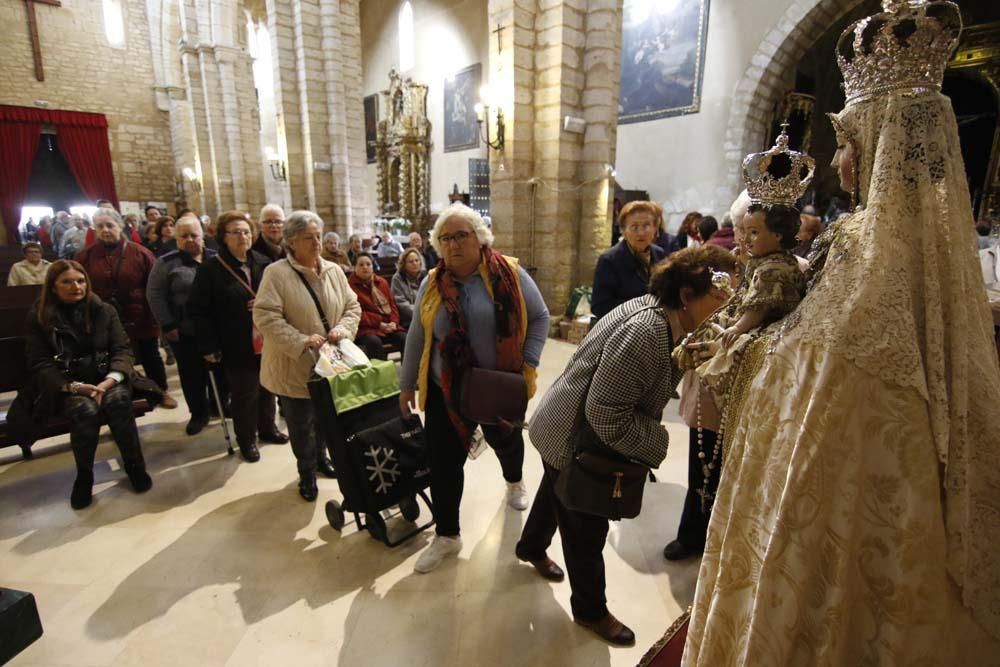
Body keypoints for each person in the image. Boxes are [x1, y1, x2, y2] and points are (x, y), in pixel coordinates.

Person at [683, 4, 1000, 663]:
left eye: (851, 144)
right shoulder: (873, 248)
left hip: (851, 518)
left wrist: (750, 345)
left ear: (886, 145)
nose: (840, 162)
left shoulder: (871, 259)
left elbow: (817, 378)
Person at [517, 245, 734, 646]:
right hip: (575, 439)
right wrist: (659, 441)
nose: (728, 312)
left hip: (563, 426)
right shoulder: (646, 331)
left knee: (554, 493)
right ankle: (591, 611)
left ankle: (530, 547)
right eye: (721, 300)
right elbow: (607, 415)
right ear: (687, 296)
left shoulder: (660, 314)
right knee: (585, 532)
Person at [399, 202, 549, 574]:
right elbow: (417, 333)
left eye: (461, 235)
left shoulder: (510, 274)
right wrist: (405, 384)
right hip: (444, 390)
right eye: (445, 238)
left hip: (497, 386)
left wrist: (528, 362)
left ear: (479, 238)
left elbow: (541, 316)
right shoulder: (431, 282)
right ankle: (447, 536)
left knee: (506, 443)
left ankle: (514, 483)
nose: (452, 245)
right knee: (444, 463)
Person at [21, 260, 152, 509]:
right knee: (85, 410)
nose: (76, 286)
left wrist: (109, 380)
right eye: (67, 282)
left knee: (118, 401)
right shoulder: (40, 316)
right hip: (67, 385)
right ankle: (84, 476)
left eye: (80, 281)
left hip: (107, 378)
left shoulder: (103, 309)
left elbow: (122, 350)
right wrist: (73, 387)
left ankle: (134, 464)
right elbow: (39, 363)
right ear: (53, 287)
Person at [254, 210, 361, 501]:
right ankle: (305, 472)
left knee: (326, 417)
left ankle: (322, 459)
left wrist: (342, 329)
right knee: (301, 424)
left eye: (318, 236)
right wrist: (301, 341)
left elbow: (353, 307)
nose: (316, 243)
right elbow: (265, 316)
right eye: (308, 238)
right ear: (291, 242)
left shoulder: (334, 270)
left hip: (330, 363)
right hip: (294, 365)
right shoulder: (276, 274)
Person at [188, 211, 289, 463]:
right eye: (236, 232)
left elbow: (280, 294)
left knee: (269, 386)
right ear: (223, 237)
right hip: (235, 339)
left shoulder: (263, 261)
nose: (243, 236)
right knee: (245, 393)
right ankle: (247, 439)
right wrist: (208, 345)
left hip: (267, 337)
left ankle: (267, 428)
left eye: (246, 231)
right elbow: (199, 310)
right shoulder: (212, 268)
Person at [661, 248, 739, 563]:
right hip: (709, 389)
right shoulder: (720, 274)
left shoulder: (777, 274)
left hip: (745, 386)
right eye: (745, 232)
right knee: (702, 468)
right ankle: (692, 534)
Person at [75, 207, 177, 409]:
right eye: (100, 226)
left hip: (140, 316)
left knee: (150, 356)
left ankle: (160, 391)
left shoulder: (140, 253)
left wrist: (158, 316)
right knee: (113, 360)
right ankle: (119, 399)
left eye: (110, 225)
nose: (105, 230)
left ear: (119, 226)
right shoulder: (85, 256)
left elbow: (156, 286)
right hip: (103, 319)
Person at [146, 218, 225, 436]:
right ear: (176, 239)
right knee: (192, 374)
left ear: (203, 235)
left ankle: (219, 406)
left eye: (194, 235)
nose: (190, 240)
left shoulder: (216, 257)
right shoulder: (166, 263)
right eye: (184, 236)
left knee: (220, 370)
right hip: (184, 328)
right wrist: (167, 324)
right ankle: (198, 413)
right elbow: (155, 295)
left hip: (216, 328)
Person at [591, 200, 667, 322]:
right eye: (634, 227)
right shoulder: (609, 260)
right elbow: (599, 306)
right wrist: (641, 310)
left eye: (646, 226)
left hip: (654, 326)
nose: (641, 232)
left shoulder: (660, 254)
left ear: (655, 228)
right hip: (622, 329)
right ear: (623, 230)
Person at [348, 253, 407, 360]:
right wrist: (379, 323)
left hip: (388, 326)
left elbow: (392, 305)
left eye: (368, 264)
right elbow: (356, 313)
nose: (365, 267)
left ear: (372, 266)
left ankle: (407, 375)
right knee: (374, 343)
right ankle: (383, 375)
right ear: (354, 268)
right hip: (366, 328)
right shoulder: (349, 286)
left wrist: (393, 322)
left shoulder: (381, 282)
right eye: (361, 265)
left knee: (405, 338)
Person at [391, 247, 426, 328]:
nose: (415, 263)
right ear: (404, 264)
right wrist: (420, 313)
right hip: (408, 319)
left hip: (426, 316)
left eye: (417, 260)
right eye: (411, 261)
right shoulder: (397, 278)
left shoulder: (425, 276)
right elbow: (401, 303)